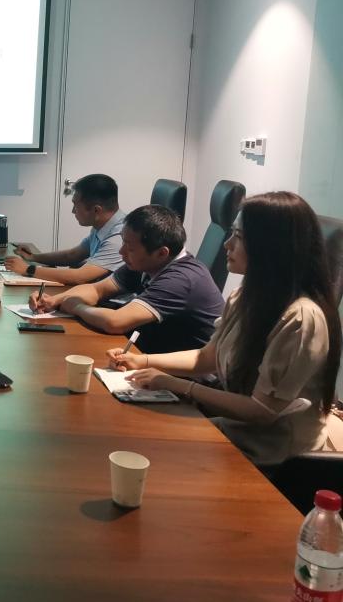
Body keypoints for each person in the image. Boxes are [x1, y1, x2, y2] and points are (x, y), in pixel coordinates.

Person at [109, 192, 342, 466]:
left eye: (238, 237)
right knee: (132, 430)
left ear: (271, 247)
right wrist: (142, 361)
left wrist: (176, 384)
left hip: (273, 455)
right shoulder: (246, 296)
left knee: (151, 446)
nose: (227, 244)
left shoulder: (301, 318)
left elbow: (262, 411)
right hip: (236, 430)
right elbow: (207, 357)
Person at [30, 204, 224, 353]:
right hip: (149, 353)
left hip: (185, 379)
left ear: (161, 253)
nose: (122, 252)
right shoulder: (146, 264)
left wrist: (77, 307)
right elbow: (97, 289)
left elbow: (115, 322)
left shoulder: (180, 279)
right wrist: (55, 300)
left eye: (130, 248)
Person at [4, 174, 125, 284]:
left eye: (76, 205)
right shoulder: (102, 226)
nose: (73, 211)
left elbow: (80, 276)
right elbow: (72, 255)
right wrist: (33, 257)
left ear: (96, 210)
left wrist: (27, 269)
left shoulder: (118, 237)